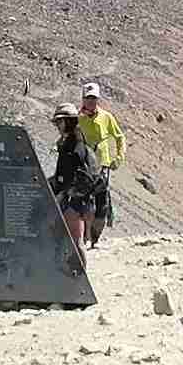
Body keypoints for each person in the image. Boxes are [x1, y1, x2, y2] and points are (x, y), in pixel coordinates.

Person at [48, 101, 112, 255]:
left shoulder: (75, 145)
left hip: (76, 201)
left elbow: (79, 177)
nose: (57, 126)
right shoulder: (70, 143)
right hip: (77, 199)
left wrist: (63, 193)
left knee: (76, 244)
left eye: (59, 121)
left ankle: (79, 268)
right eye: (56, 122)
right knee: (72, 242)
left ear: (68, 121)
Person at [72, 84, 124, 244]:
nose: (91, 101)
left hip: (102, 165)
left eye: (93, 98)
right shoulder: (77, 119)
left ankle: (95, 237)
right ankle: (81, 236)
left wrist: (119, 157)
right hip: (83, 165)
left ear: (98, 99)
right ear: (83, 99)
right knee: (80, 199)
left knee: (102, 202)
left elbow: (120, 137)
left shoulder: (106, 117)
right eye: (88, 98)